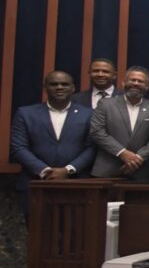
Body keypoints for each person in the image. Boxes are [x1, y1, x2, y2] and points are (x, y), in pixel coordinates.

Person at [10, 70, 96, 217]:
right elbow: (18, 147)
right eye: (54, 84)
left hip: (76, 184)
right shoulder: (26, 113)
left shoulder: (88, 114)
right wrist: (45, 171)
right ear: (45, 88)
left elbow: (92, 147)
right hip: (35, 183)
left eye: (64, 84)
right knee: (38, 235)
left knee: (74, 235)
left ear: (73, 88)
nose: (59, 87)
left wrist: (68, 170)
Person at [89, 66, 149, 179]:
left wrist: (138, 158)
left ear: (147, 86)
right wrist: (122, 153)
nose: (136, 83)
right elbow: (97, 132)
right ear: (123, 83)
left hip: (142, 170)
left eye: (140, 81)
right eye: (132, 80)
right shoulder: (105, 104)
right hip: (108, 169)